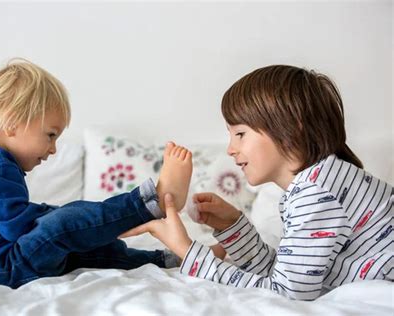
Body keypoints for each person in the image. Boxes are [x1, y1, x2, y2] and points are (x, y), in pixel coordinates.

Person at [121, 65, 393, 300]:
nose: (230, 149)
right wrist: (233, 226)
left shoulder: (316, 193)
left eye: (240, 133)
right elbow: (286, 276)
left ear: (291, 128)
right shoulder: (320, 183)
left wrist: (186, 250)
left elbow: (285, 296)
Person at [0, 58, 193, 288]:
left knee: (79, 242)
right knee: (65, 224)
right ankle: (150, 202)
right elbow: (21, 227)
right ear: (12, 122)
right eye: (50, 135)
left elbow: (19, 220)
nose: (54, 149)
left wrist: (88, 226)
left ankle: (166, 260)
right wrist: (79, 221)